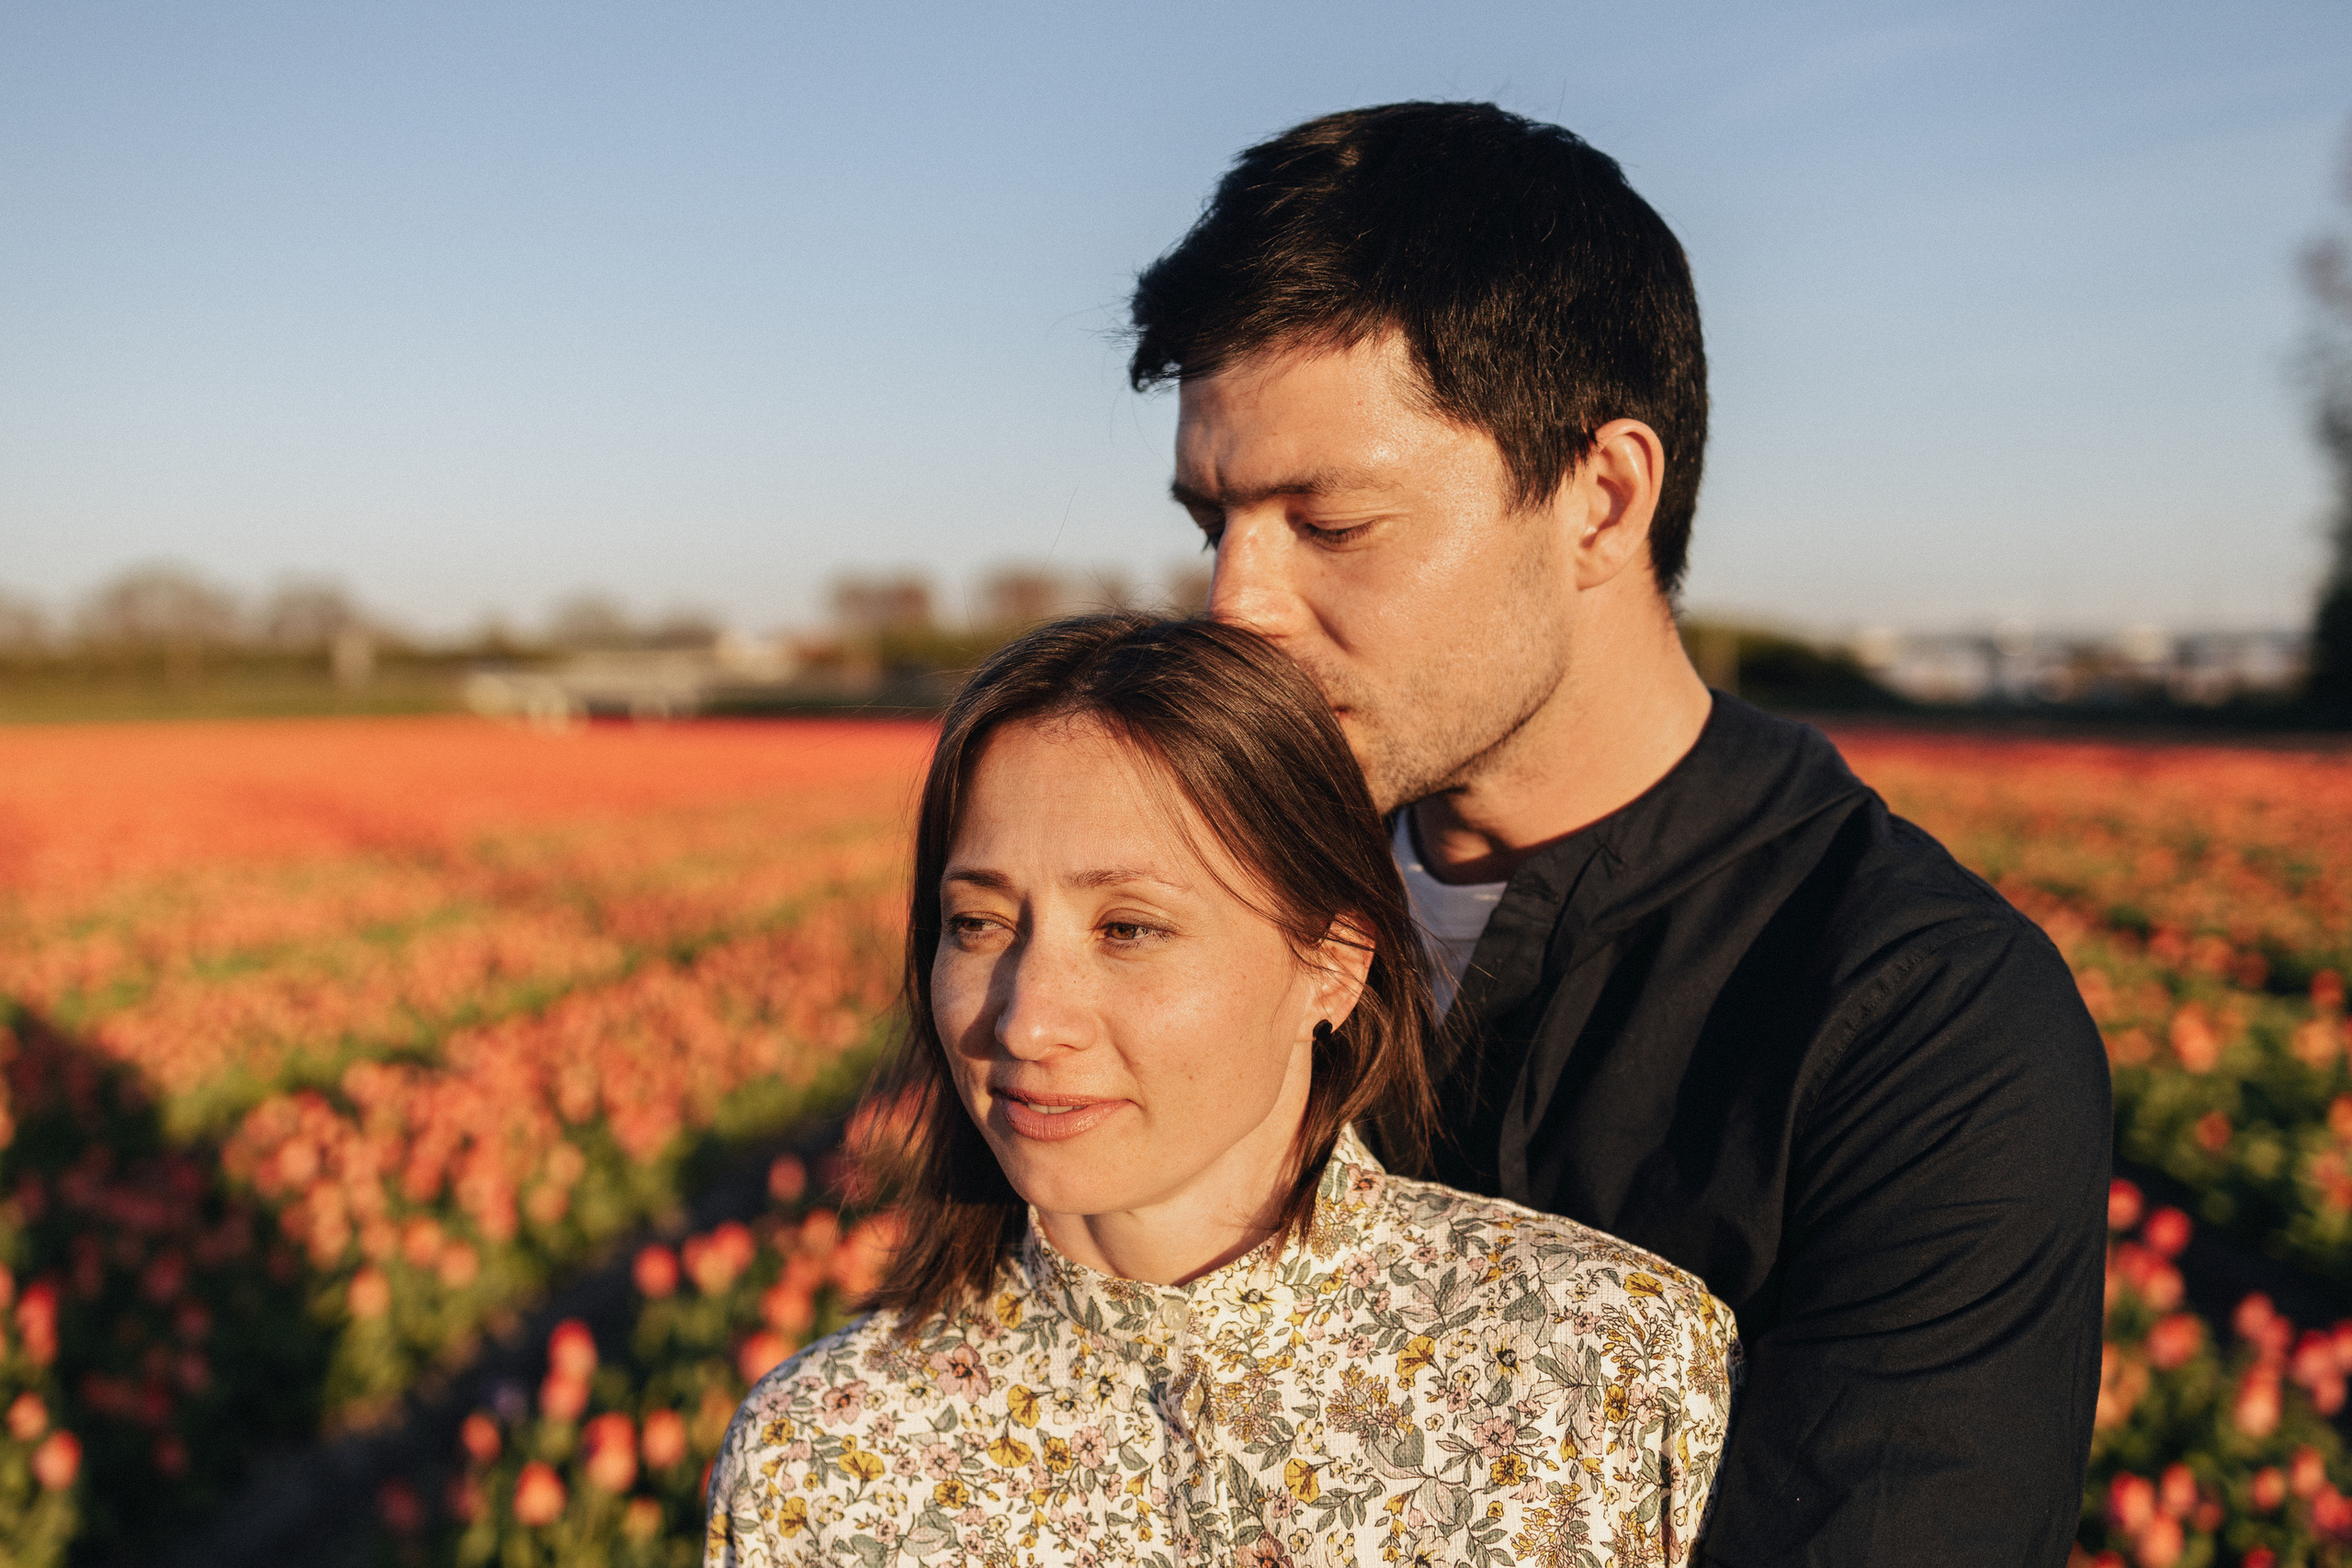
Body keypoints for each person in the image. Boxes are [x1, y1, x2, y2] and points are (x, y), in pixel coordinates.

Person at [1127, 103, 2110, 1564]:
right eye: (1218, 521)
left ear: (1602, 496)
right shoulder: (1208, 908)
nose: (1235, 607)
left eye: (1328, 523)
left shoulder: (1914, 1023)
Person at [703, 615, 1737, 1567]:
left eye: (1128, 930)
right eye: (977, 924)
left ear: (1331, 962)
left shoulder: (1605, 1371)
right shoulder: (827, 1457)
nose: (1023, 1021)